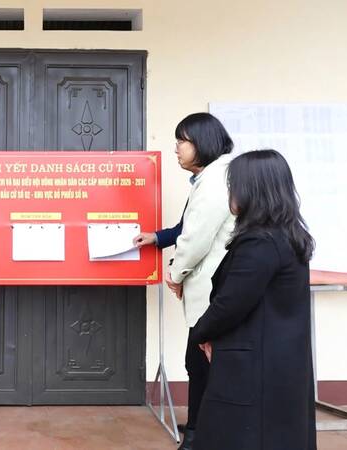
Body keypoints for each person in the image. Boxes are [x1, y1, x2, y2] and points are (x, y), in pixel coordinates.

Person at [191, 149, 316, 450]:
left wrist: (200, 332)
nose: (230, 192)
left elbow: (230, 304)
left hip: (254, 370)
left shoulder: (261, 242)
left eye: (233, 184)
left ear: (252, 190)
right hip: (276, 365)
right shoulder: (286, 235)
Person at [134, 112, 235, 450]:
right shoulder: (209, 179)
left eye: (182, 141)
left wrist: (175, 274)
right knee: (198, 362)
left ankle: (198, 437)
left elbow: (196, 240)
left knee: (202, 363)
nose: (176, 148)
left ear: (202, 144)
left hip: (211, 290)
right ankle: (198, 426)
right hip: (208, 290)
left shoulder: (215, 183)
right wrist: (157, 238)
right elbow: (185, 228)